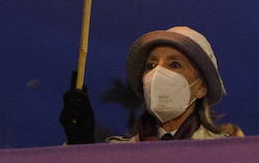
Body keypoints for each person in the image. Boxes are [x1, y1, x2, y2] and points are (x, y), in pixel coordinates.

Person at [60, 26, 244, 143]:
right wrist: (80, 144)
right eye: (151, 65)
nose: (157, 74)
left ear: (201, 87)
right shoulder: (116, 153)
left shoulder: (224, 152)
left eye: (174, 64)